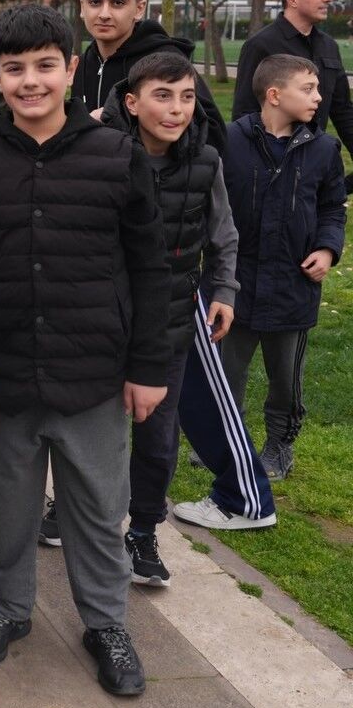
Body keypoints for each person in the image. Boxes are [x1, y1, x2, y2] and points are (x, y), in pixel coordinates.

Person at [0, 4, 170, 698]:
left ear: (70, 69)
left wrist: (149, 367)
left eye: (45, 66)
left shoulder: (116, 157)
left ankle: (106, 623)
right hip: (3, 375)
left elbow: (150, 267)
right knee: (7, 509)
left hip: (93, 374)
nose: (31, 81)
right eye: (15, 69)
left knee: (97, 511)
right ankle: (10, 608)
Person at [98, 52, 265, 586]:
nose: (177, 109)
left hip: (169, 323)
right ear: (132, 102)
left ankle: (144, 530)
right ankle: (79, 512)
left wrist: (225, 290)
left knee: (158, 437)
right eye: (163, 96)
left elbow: (224, 235)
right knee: (97, 433)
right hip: (102, 321)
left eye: (187, 97)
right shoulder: (102, 156)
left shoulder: (206, 162)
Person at [221, 54, 346, 482]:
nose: (318, 97)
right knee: (227, 371)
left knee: (284, 379)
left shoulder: (324, 150)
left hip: (293, 287)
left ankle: (279, 444)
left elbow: (332, 208)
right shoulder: (229, 141)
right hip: (237, 284)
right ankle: (225, 439)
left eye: (318, 88)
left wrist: (327, 249)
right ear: (274, 95)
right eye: (308, 89)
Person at [71, 0, 225, 150]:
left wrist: (116, 119)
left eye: (118, 2)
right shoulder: (84, 64)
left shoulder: (166, 61)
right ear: (82, 6)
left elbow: (214, 135)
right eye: (95, 2)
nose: (104, 14)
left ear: (139, 8)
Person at [232, 0, 353, 159]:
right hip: (275, 161)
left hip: (316, 159)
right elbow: (244, 112)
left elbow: (343, 110)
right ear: (292, 0)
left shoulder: (329, 46)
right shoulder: (261, 45)